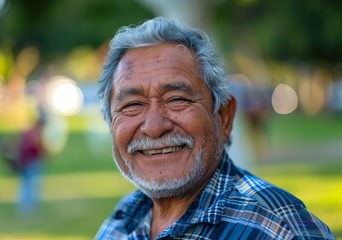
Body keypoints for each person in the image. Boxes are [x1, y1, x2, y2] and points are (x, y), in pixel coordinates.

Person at [95, 17, 335, 240]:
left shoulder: (280, 230)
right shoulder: (123, 219)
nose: (154, 127)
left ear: (224, 117)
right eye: (132, 105)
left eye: (177, 99)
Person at [17, 117, 46, 215]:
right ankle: (29, 207)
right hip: (31, 162)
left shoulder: (27, 132)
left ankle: (24, 207)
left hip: (24, 162)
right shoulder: (35, 134)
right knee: (31, 186)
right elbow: (39, 147)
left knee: (25, 185)